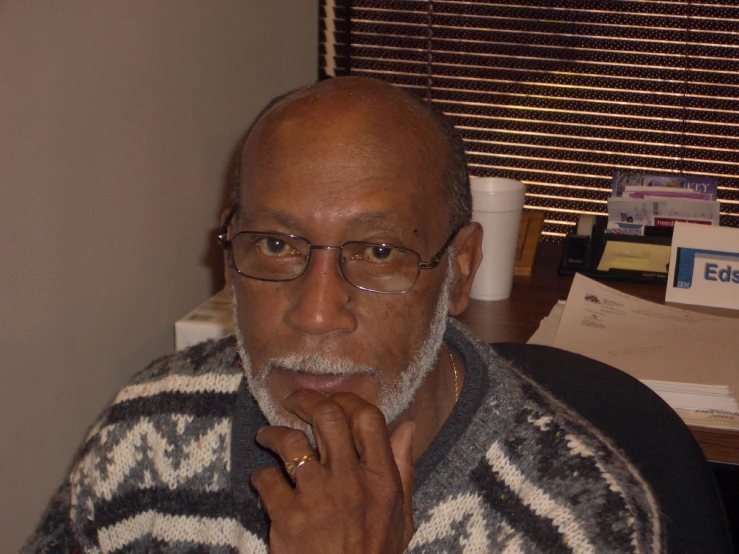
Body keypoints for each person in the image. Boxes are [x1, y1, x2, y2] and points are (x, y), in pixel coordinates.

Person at [21, 76, 664, 553]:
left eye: (379, 251)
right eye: (276, 245)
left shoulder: (576, 525)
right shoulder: (144, 433)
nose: (318, 313)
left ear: (460, 271)